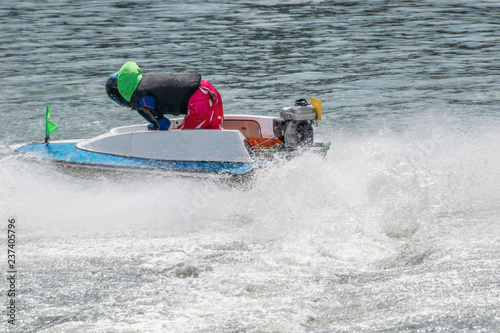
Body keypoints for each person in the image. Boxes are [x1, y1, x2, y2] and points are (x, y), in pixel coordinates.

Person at [105, 61, 223, 130]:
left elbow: (164, 124)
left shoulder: (141, 101)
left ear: (121, 91)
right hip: (206, 88)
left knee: (189, 134)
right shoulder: (144, 83)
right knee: (212, 129)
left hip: (199, 99)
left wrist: (154, 128)